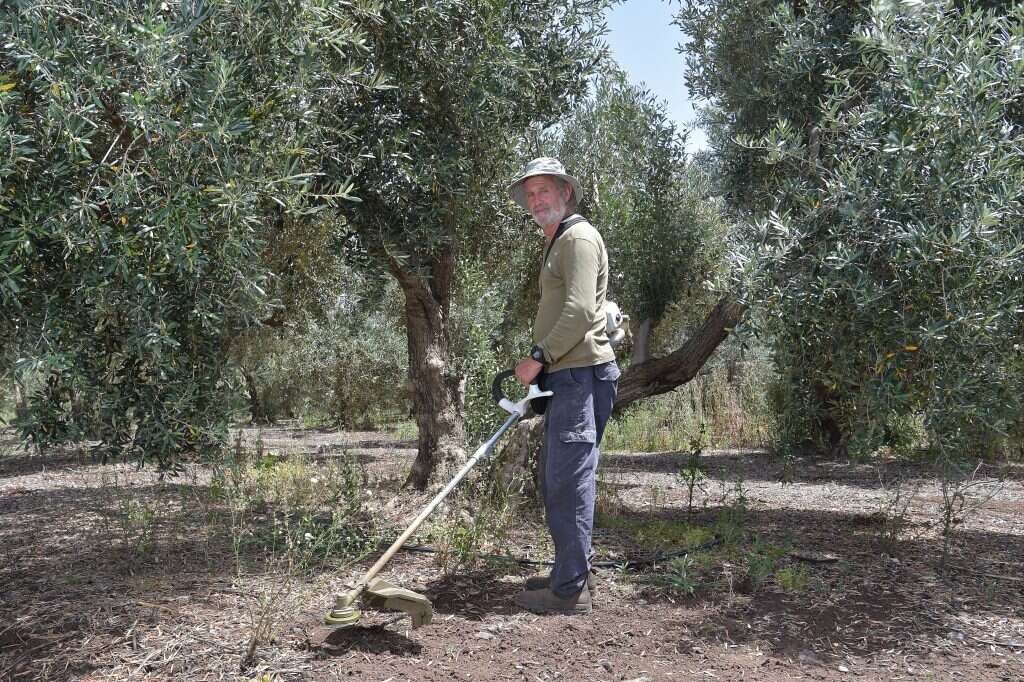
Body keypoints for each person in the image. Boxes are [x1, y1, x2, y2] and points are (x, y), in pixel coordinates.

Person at [508, 157, 620, 615]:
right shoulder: (560, 241)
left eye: (544, 192)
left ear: (565, 192)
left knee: (569, 483)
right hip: (568, 375)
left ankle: (571, 591)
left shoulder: (576, 238)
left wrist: (538, 358)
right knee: (562, 480)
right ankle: (568, 575)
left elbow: (579, 313)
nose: (536, 201)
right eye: (530, 195)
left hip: (578, 374)